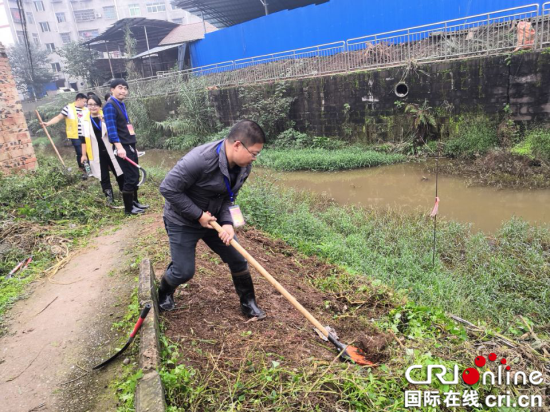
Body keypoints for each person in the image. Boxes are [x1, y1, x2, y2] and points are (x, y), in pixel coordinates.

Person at [158, 120, 266, 319]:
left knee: (238, 257)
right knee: (184, 272)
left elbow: (229, 197)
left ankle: (248, 302)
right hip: (182, 220)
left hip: (213, 219)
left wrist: (227, 223)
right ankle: (164, 291)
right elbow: (167, 188)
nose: (255, 159)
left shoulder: (243, 166)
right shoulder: (199, 160)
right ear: (237, 145)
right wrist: (198, 215)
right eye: (254, 153)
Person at [103, 79, 148, 215]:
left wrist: (133, 146)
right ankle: (129, 209)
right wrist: (119, 147)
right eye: (120, 88)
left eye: (125, 88)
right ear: (112, 89)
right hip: (122, 146)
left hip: (129, 145)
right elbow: (111, 130)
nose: (123, 91)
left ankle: (135, 203)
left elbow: (126, 127)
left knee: (134, 174)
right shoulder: (110, 105)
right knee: (130, 176)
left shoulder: (120, 104)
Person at [81, 95, 124, 206]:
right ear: (87, 106)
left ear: (100, 106)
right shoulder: (84, 121)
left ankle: (125, 193)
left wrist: (103, 120)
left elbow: (115, 131)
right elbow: (83, 139)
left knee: (118, 171)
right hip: (96, 152)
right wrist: (83, 155)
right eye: (90, 104)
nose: (93, 107)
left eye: (95, 104)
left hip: (110, 150)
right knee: (103, 175)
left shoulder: (106, 116)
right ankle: (109, 198)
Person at [41, 93, 89, 178]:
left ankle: (90, 169)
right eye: (84, 101)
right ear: (78, 99)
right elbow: (58, 118)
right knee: (80, 152)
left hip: (87, 134)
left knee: (88, 152)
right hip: (76, 135)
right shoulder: (68, 108)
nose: (85, 103)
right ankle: (82, 170)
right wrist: (48, 123)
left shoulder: (86, 109)